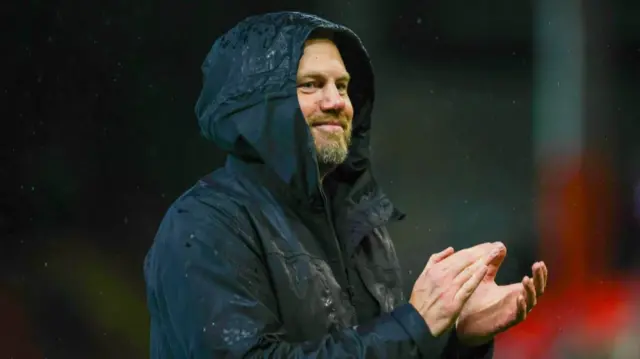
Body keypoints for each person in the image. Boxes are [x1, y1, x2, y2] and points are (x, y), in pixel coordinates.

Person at [143, 11, 548, 359]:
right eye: (310, 85)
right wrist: (415, 326)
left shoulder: (357, 223)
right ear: (259, 107)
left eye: (342, 85)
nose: (337, 100)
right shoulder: (203, 225)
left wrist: (453, 339)